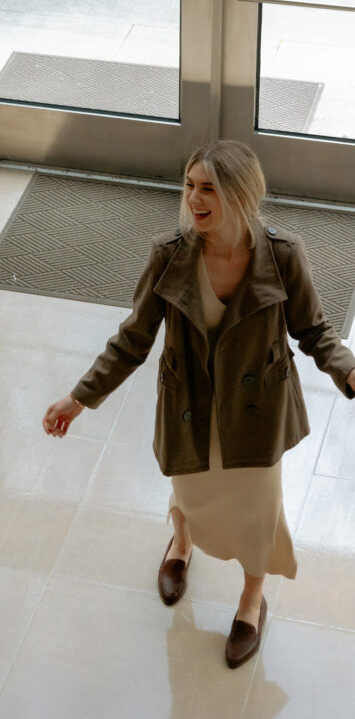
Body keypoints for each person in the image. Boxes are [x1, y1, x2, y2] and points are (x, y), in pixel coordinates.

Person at [43, 139, 355, 669]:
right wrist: (80, 397)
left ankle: (251, 599)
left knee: (258, 511)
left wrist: (347, 368)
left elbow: (315, 330)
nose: (194, 199)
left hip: (257, 412)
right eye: (189, 186)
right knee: (190, 483)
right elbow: (133, 339)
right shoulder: (169, 254)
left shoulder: (283, 255)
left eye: (208, 188)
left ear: (241, 193)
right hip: (190, 401)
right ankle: (181, 541)